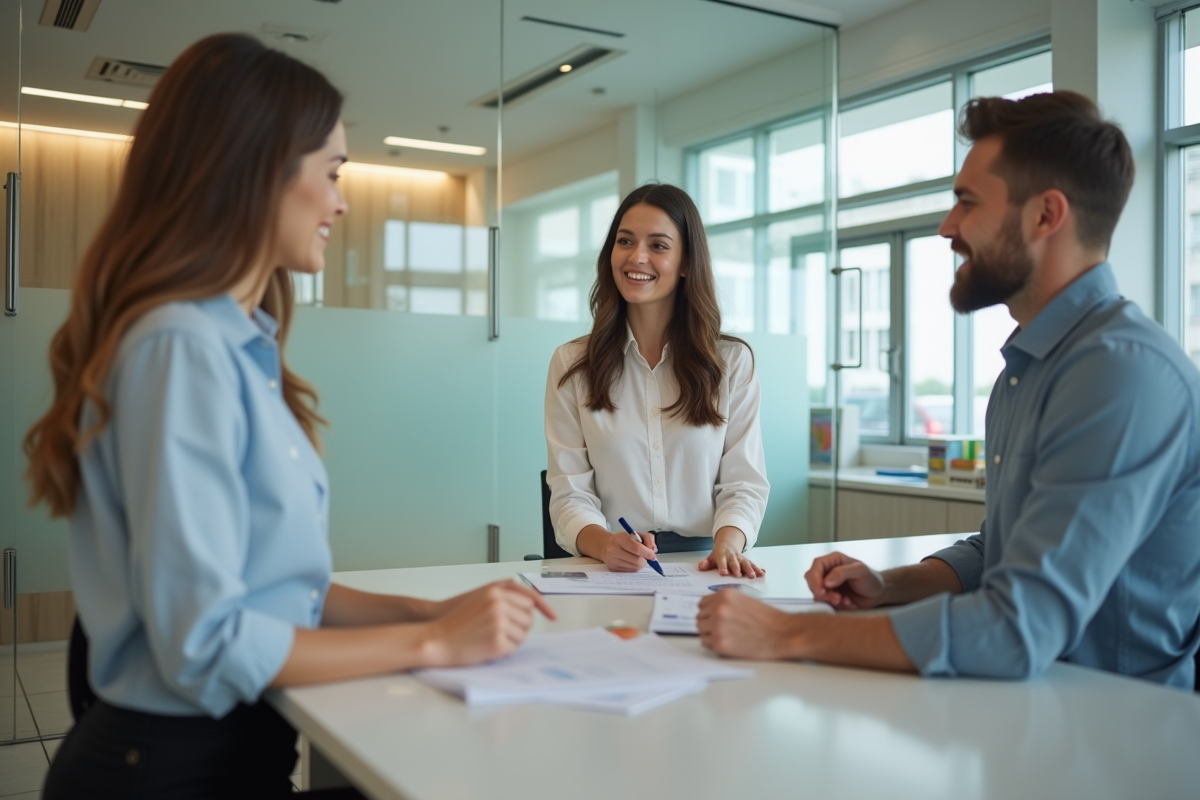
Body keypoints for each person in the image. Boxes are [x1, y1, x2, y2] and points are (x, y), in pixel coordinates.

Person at [25, 34, 554, 799]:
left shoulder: (237, 342)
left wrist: (423, 611)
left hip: (232, 749)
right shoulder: (180, 350)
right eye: (332, 172)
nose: (342, 200)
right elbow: (206, 643)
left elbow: (277, 588)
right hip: (166, 770)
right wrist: (434, 640)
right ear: (255, 170)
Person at [697, 90, 1200, 689]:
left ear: (1046, 215)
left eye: (967, 202)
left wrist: (785, 633)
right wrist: (891, 585)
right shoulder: (1031, 364)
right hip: (1034, 708)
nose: (947, 227)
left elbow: (1018, 628)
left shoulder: (1121, 374)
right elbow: (1004, 549)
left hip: (1121, 730)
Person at [545, 184, 770, 577]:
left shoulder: (731, 363)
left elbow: (744, 483)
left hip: (707, 559)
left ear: (686, 261)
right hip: (610, 560)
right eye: (625, 241)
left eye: (659, 245)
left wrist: (728, 547)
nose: (637, 257)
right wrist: (605, 545)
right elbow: (569, 493)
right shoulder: (573, 364)